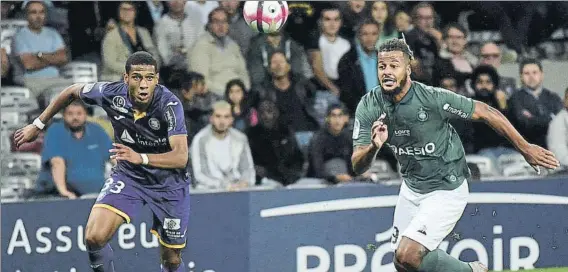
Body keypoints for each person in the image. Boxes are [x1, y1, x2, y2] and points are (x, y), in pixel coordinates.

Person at [351, 39, 559, 272]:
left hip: (446, 189)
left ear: (407, 69)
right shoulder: (369, 105)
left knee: (408, 254)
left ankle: (472, 270)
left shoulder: (432, 99)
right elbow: (358, 166)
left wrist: (525, 148)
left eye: (394, 66)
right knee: (402, 264)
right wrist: (373, 147)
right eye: (382, 67)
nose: (387, 72)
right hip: (411, 189)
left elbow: (486, 111)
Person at [15, 51, 191, 272]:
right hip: (130, 176)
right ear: (125, 78)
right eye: (137, 77)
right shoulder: (110, 93)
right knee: (94, 237)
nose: (143, 84)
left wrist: (141, 157)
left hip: (169, 184)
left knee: (171, 260)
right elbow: (71, 91)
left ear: (156, 79)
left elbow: (181, 156)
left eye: (149, 78)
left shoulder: (170, 105)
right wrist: (38, 124)